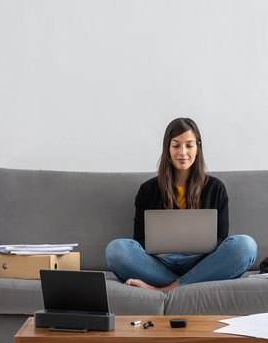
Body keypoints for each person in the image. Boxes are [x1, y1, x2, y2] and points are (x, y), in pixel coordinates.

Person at [105, 117, 257, 291]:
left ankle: (166, 289)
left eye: (189, 145)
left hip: (201, 262)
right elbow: (139, 240)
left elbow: (221, 240)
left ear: (198, 147)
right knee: (116, 249)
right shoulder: (148, 190)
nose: (182, 152)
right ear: (167, 148)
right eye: (176, 145)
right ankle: (191, 284)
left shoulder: (215, 188)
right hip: (159, 264)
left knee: (246, 246)